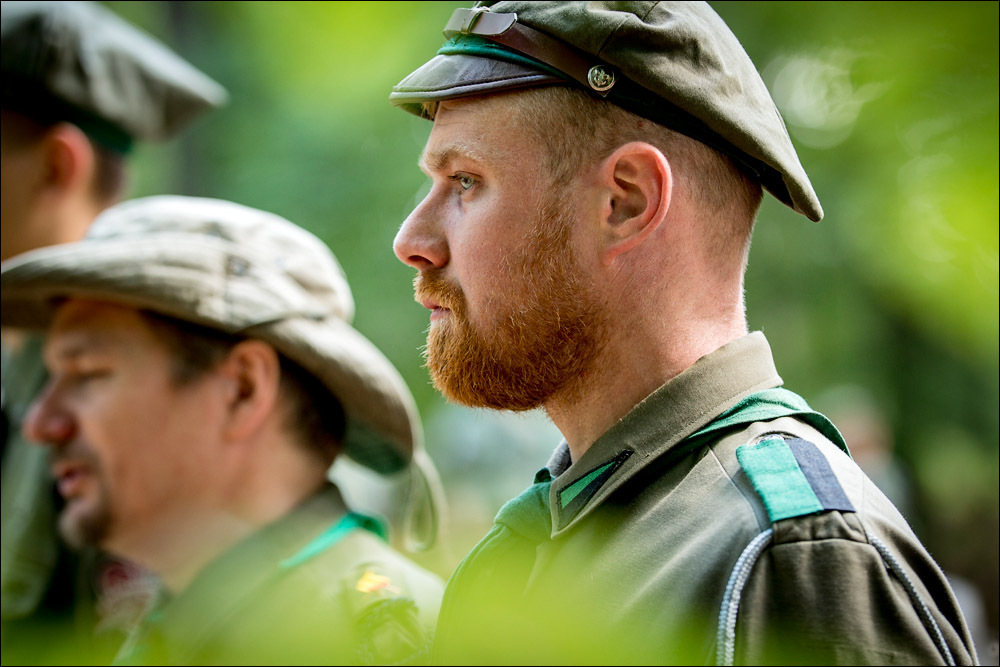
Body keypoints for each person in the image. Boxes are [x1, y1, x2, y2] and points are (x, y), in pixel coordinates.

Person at [388, 2, 978, 664]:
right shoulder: (534, 547)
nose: (411, 241)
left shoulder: (789, 557)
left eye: (466, 181)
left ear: (627, 201)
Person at [1, 195, 444, 665]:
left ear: (242, 389)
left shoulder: (379, 645)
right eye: (53, 379)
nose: (40, 424)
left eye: (88, 373)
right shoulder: (180, 634)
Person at [1, 2, 227, 661]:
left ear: (56, 165)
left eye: (88, 371)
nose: (50, 419)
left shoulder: (166, 391)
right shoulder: (22, 370)